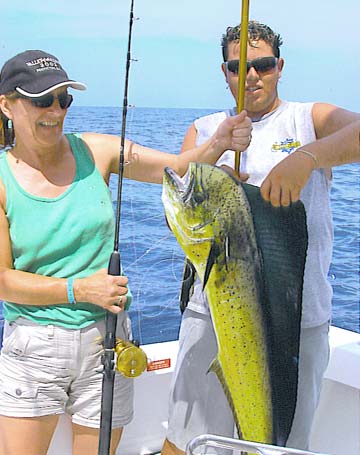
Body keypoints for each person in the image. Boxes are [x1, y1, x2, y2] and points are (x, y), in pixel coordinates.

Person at [0, 49, 252, 455]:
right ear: (7, 105)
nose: (55, 111)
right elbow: (4, 281)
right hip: (35, 348)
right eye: (41, 100)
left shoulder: (96, 150)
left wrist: (219, 143)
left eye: (63, 99)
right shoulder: (3, 178)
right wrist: (80, 290)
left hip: (108, 341)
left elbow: (176, 168)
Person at [161, 21, 360, 455]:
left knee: (280, 445)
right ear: (225, 72)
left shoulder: (309, 119)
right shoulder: (206, 129)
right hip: (213, 310)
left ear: (279, 67)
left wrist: (305, 158)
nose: (250, 76)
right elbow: (175, 198)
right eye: (238, 67)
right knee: (185, 437)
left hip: (297, 316)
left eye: (262, 65)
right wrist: (214, 159)